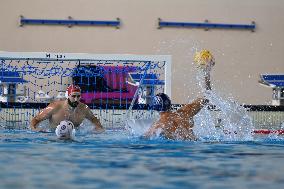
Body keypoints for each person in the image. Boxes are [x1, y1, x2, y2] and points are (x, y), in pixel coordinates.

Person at [144, 50, 214, 140]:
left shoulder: (158, 125)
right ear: (169, 103)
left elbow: (144, 138)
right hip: (194, 145)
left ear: (155, 108)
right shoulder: (185, 113)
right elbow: (207, 96)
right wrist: (207, 73)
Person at [30, 84, 105, 133]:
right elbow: (36, 119)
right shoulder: (54, 107)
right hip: (53, 136)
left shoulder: (84, 108)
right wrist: (34, 128)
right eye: (73, 96)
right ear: (68, 96)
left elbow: (94, 119)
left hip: (74, 138)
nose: (76, 99)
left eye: (78, 96)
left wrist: (98, 128)